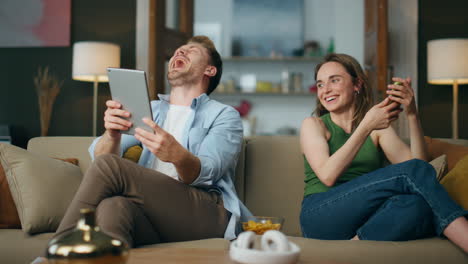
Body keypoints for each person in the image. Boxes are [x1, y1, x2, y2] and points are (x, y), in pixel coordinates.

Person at [52, 35, 251, 247]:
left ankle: (51, 255)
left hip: (206, 214)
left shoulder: (223, 115)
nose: (179, 52)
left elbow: (209, 173)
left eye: (191, 50)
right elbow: (100, 160)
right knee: (114, 206)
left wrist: (178, 155)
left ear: (209, 70)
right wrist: (112, 134)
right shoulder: (151, 109)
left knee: (111, 169)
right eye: (178, 50)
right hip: (154, 213)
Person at [299, 53, 468, 252]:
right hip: (320, 216)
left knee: (419, 204)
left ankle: (354, 247)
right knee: (413, 180)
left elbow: (420, 170)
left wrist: (412, 114)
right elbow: (327, 176)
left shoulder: (379, 129)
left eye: (334, 80)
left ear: (357, 84)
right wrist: (365, 126)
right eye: (320, 84)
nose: (325, 89)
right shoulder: (313, 125)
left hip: (364, 219)